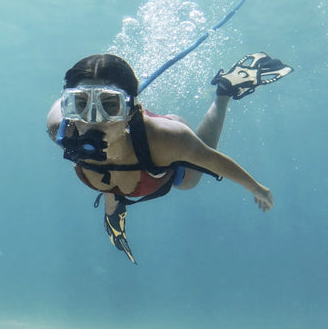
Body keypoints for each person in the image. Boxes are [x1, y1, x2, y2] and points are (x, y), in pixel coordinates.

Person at [47, 52, 292, 263]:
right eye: (79, 104)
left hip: (161, 150)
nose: (93, 119)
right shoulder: (64, 129)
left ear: (130, 108)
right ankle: (114, 208)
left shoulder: (166, 140)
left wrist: (258, 188)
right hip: (120, 177)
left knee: (188, 181)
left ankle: (224, 91)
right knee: (109, 178)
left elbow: (213, 159)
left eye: (110, 106)